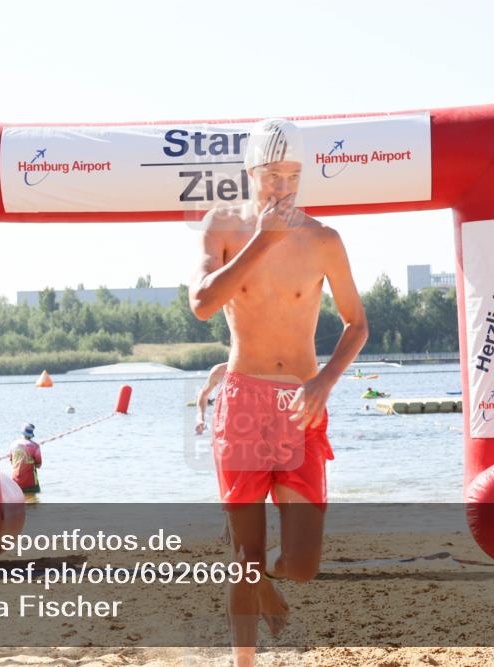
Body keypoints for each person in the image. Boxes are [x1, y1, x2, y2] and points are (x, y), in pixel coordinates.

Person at [189, 118, 368, 667]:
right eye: (271, 176)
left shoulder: (323, 240)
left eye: (292, 176)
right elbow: (202, 303)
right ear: (249, 174)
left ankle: (264, 581)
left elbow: (356, 323)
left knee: (304, 561)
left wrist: (324, 380)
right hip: (242, 398)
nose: (283, 187)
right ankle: (244, 658)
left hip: (301, 402)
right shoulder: (221, 225)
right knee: (245, 553)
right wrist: (262, 242)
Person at [195, 362, 228, 435]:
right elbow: (203, 394)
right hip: (225, 426)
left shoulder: (257, 367)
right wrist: (201, 418)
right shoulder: (220, 370)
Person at [9, 422, 42, 494]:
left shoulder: (13, 444)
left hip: (15, 483)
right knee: (33, 502)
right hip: (30, 483)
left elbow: (11, 461)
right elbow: (39, 465)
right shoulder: (35, 446)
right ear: (31, 434)